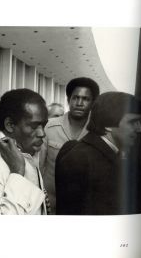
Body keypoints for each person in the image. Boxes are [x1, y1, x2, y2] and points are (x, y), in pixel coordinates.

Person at [56, 92, 141, 215]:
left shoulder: (113, 155)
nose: (140, 129)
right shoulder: (79, 158)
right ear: (109, 124)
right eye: (132, 122)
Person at [40, 77, 100, 214]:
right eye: (75, 98)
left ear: (93, 103)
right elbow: (39, 166)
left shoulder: (97, 131)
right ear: (68, 100)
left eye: (85, 99)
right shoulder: (49, 126)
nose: (79, 103)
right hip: (51, 204)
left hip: (84, 206)